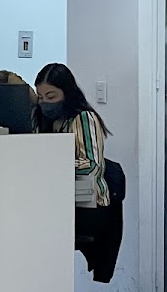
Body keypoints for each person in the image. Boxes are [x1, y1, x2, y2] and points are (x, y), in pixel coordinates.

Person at [33, 63, 111, 206]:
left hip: (89, 201)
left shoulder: (84, 118)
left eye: (51, 97)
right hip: (55, 196)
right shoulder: (41, 118)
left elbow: (93, 164)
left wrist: (58, 164)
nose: (45, 103)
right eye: (40, 97)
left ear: (66, 93)